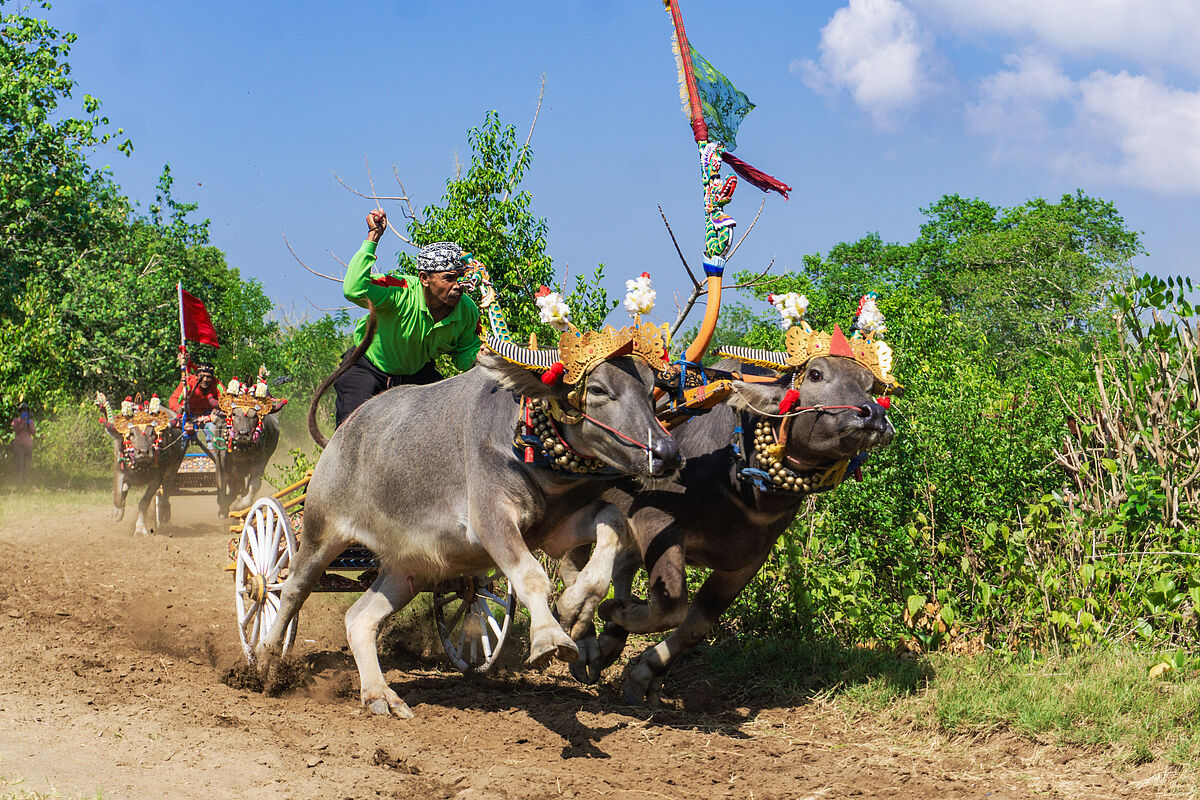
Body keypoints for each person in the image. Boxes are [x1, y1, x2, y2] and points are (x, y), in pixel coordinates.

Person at [334, 208, 481, 426]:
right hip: (367, 367)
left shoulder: (467, 310)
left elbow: (464, 352)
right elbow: (354, 289)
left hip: (415, 374)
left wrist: (480, 356)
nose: (458, 285)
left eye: (461, 277)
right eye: (449, 278)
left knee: (451, 421)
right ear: (424, 278)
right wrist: (373, 236)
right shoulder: (400, 291)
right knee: (352, 430)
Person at [169, 361, 224, 445]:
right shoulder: (189, 382)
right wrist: (179, 410)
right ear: (196, 376)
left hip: (207, 415)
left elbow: (226, 403)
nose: (205, 380)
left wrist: (211, 416)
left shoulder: (217, 384)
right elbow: (173, 400)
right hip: (187, 414)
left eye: (208, 377)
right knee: (177, 435)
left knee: (214, 431)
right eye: (202, 376)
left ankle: (215, 454)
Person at [10, 402, 35, 485]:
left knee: (27, 464)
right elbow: (16, 429)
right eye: (23, 411)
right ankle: (18, 482)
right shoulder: (16, 420)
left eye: (26, 410)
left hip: (28, 445)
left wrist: (28, 423)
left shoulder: (30, 421)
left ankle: (26, 481)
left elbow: (34, 432)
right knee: (19, 464)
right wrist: (22, 422)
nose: (24, 412)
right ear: (20, 412)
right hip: (19, 445)